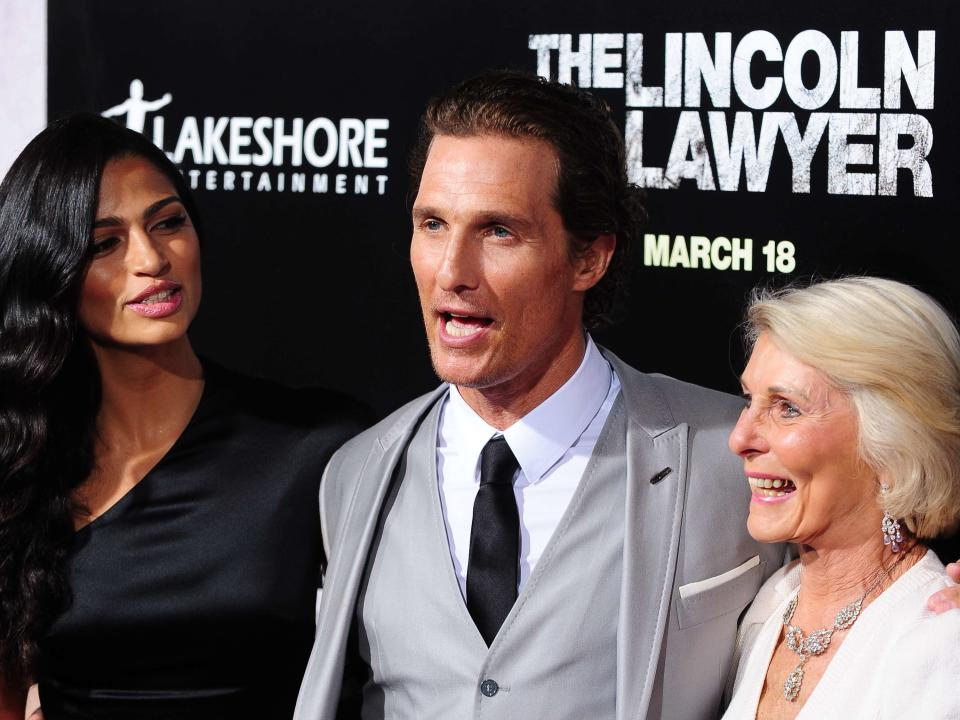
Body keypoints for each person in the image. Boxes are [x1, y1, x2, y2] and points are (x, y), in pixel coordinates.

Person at [293, 70, 781, 720]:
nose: (451, 272)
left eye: (498, 231)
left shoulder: (734, 456)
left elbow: (868, 562)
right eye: (433, 223)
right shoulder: (354, 477)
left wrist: (921, 590)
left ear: (590, 259)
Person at [0, 114, 367, 719]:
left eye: (168, 223)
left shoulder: (315, 448)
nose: (152, 259)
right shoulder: (22, 465)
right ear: (53, 270)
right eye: (104, 243)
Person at [723, 277, 960, 718]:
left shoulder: (941, 640)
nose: (740, 438)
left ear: (892, 445)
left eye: (786, 407)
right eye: (749, 400)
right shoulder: (772, 603)